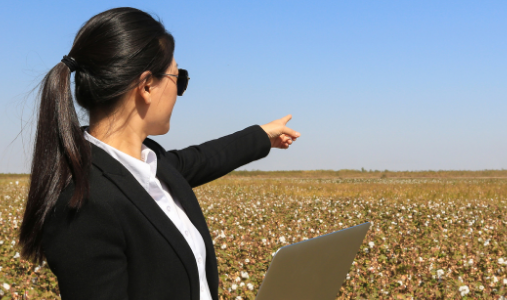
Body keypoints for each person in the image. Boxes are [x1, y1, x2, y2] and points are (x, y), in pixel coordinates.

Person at [17, 7, 300, 300]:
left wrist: (262, 136)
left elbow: (202, 158)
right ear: (148, 85)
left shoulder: (151, 162)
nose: (180, 91)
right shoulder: (84, 205)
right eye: (179, 78)